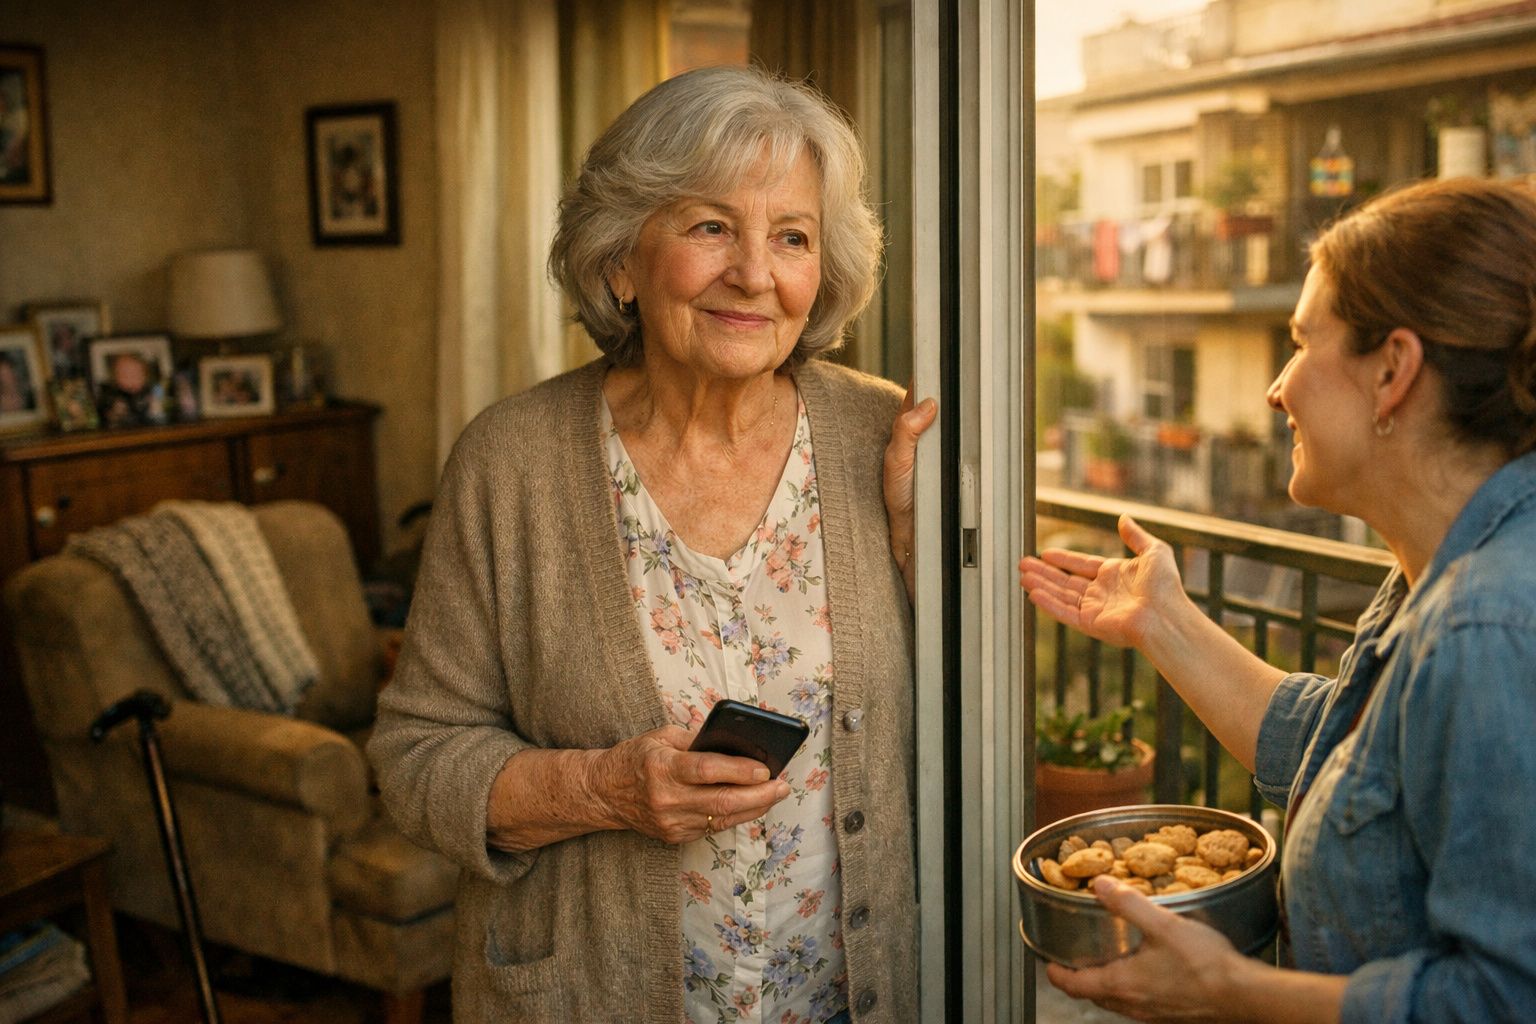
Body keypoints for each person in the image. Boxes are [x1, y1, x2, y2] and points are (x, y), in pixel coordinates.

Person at [368, 65, 936, 1024]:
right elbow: (416, 758)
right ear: (621, 261)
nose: (754, 273)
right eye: (710, 227)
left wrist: (924, 557)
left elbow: (978, 704)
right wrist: (602, 789)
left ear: (822, 275)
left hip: (850, 999)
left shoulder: (883, 439)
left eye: (791, 237)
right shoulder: (511, 460)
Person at [1019, 176, 1536, 1022]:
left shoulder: (1492, 627)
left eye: (1301, 344)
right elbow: (1356, 759)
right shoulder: (1440, 569)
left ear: (1393, 371)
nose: (1277, 387)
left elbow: (1504, 1002)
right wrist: (1165, 623)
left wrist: (1228, 991)